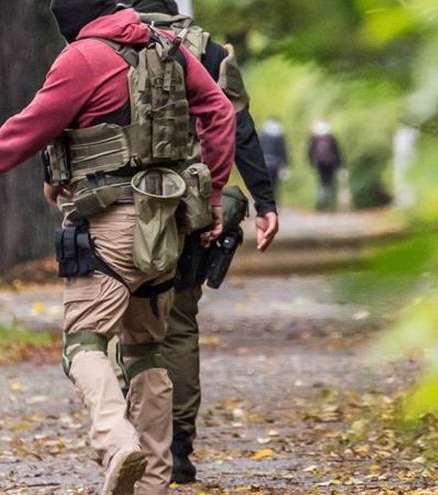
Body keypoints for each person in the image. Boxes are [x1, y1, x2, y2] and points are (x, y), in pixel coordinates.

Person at [0, 1, 236, 492]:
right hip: (168, 222)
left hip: (110, 224)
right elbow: (219, 112)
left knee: (84, 343)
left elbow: (30, 127)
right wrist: (216, 194)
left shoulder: (83, 58)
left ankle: (116, 441)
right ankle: (154, 481)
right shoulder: (167, 46)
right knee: (146, 349)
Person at [126, 0, 280, 484]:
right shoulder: (207, 50)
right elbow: (238, 127)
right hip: (190, 205)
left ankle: (131, 440)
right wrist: (264, 200)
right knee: (178, 325)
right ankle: (177, 447)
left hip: (121, 204)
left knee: (118, 323)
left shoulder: (105, 44)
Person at [307, 118, 342, 211]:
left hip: (319, 163)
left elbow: (310, 151)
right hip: (331, 162)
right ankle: (330, 204)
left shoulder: (314, 137)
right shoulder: (331, 137)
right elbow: (337, 151)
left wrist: (311, 162)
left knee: (321, 181)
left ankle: (321, 201)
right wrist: (339, 164)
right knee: (330, 182)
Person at [259, 116, 289, 201]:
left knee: (264, 183)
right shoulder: (280, 136)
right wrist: (285, 165)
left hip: (264, 163)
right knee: (274, 184)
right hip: (275, 164)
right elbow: (283, 152)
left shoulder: (262, 134)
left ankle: (265, 200)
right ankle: (272, 200)